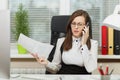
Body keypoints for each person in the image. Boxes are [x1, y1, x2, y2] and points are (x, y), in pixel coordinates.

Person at [31, 9, 98, 74]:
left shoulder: (93, 44)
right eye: (73, 23)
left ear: (86, 27)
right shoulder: (61, 41)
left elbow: (90, 68)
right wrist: (46, 63)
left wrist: (83, 44)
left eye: (80, 24)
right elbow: (55, 68)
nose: (76, 27)